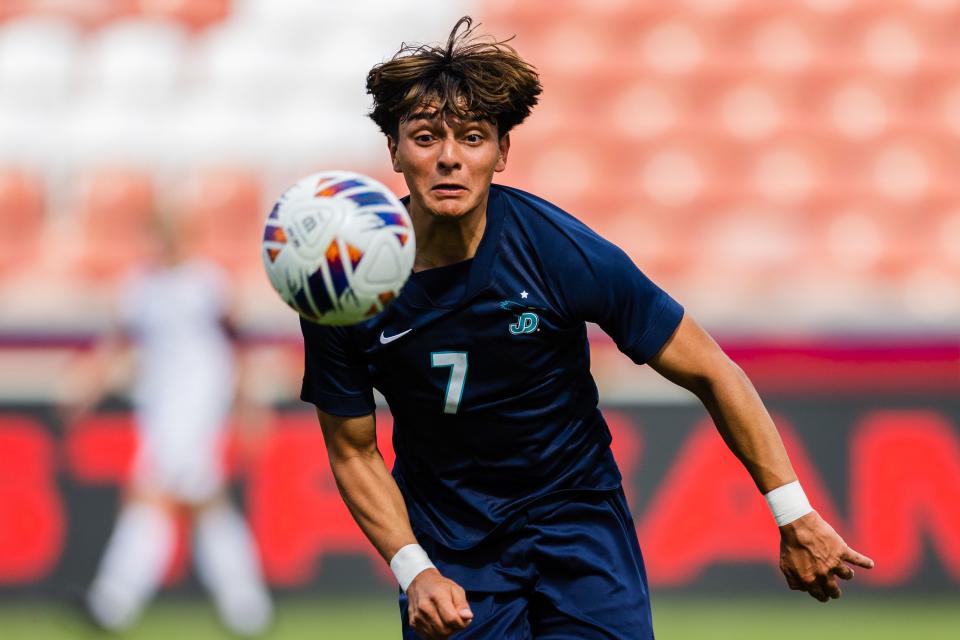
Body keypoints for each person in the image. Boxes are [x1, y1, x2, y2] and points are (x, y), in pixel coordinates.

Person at [299, 16, 874, 640]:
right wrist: (414, 570)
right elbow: (353, 448)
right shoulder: (343, 284)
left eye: (472, 137)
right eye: (426, 136)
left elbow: (712, 368)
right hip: (449, 542)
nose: (449, 158)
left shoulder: (560, 252)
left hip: (575, 522)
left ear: (502, 151)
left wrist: (793, 513)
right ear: (394, 151)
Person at [63, 213, 273, 637]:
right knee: (202, 503)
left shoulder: (207, 282)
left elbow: (236, 340)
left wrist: (247, 401)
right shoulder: (140, 287)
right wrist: (90, 383)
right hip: (160, 406)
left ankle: (113, 602)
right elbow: (118, 339)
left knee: (151, 495)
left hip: (199, 404)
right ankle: (247, 607)